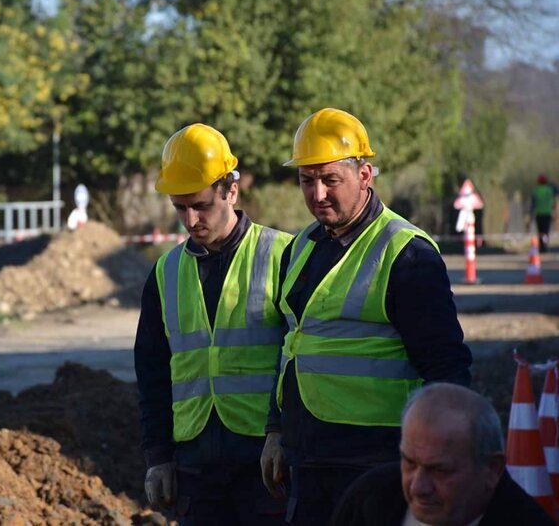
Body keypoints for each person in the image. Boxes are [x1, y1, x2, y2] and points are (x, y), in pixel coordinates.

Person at [260, 108, 473, 525]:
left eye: (330, 180)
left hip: (378, 463)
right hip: (308, 459)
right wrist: (274, 432)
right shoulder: (301, 247)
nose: (317, 194)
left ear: (365, 175)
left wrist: (438, 461)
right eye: (307, 180)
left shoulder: (406, 253)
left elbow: (446, 366)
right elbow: (292, 345)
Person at [134, 123, 293, 524]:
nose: (190, 219)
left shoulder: (284, 255)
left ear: (231, 191)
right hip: (195, 462)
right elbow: (152, 371)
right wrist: (158, 458)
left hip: (264, 456)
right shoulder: (166, 272)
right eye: (179, 207)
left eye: (201, 205)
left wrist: (282, 433)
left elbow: (300, 358)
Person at [329, 383, 555, 526]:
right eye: (409, 463)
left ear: (492, 469)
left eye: (439, 470)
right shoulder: (370, 498)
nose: (418, 487)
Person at [530, 174, 558, 253]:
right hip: (548, 213)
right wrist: (551, 183)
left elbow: (533, 203)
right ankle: (544, 246)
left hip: (539, 214)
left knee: (540, 231)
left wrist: (531, 213)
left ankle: (541, 246)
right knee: (546, 231)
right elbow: (557, 190)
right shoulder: (549, 190)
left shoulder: (536, 190)